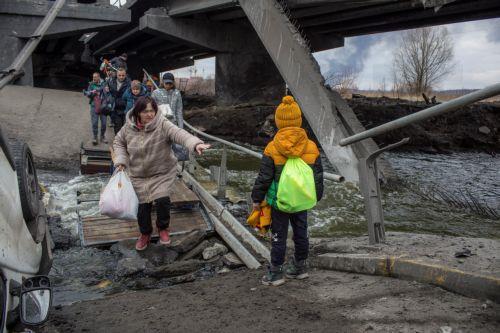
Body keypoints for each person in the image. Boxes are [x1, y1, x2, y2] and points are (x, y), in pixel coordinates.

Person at [113, 96, 210, 251]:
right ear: (138, 112)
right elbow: (118, 143)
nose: (150, 114)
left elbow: (180, 134)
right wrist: (121, 161)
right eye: (145, 111)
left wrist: (195, 143)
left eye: (152, 110)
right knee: (143, 206)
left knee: (162, 199)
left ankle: (163, 228)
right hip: (137, 174)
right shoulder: (128, 128)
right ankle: (145, 233)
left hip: (161, 172)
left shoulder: (162, 124)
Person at [251, 95, 324, 286]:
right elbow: (317, 176)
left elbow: (264, 178)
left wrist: (256, 199)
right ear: (299, 120)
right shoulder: (311, 146)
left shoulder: (272, 147)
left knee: (279, 235)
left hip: (279, 201)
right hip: (301, 200)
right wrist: (316, 196)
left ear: (278, 122)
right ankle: (300, 267)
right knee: (301, 233)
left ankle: (276, 273)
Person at [83, 72, 107, 145]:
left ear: (99, 77)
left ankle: (102, 136)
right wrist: (91, 93)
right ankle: (95, 137)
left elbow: (107, 94)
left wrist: (105, 91)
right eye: (93, 77)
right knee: (94, 123)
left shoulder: (104, 84)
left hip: (103, 106)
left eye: (96, 77)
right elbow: (88, 95)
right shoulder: (91, 85)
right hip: (94, 106)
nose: (94, 78)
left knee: (104, 123)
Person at [106, 68, 131, 134]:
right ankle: (117, 142)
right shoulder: (111, 82)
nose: (121, 77)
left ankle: (124, 142)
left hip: (125, 108)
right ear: (117, 75)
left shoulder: (129, 83)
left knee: (125, 128)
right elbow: (108, 93)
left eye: (123, 75)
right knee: (117, 127)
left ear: (125, 75)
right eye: (119, 75)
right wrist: (107, 90)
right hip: (115, 108)